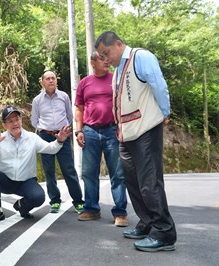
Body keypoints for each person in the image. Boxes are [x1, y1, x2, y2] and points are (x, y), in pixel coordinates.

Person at [95, 31, 177, 252]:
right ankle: (148, 223)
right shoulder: (117, 70)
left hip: (146, 130)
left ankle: (164, 232)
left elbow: (159, 85)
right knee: (132, 182)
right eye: (101, 56)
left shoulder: (141, 57)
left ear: (119, 44)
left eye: (106, 53)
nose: (104, 59)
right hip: (126, 134)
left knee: (150, 183)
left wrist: (164, 112)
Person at [0, 105, 73, 225]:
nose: (15, 123)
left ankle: (22, 207)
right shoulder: (1, 139)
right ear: (4, 125)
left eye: (17, 119)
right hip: (7, 181)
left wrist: (60, 141)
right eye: (10, 121)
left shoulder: (32, 138)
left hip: (26, 182)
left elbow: (50, 148)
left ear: (21, 120)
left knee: (39, 197)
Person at [74, 51, 128, 227]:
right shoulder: (84, 83)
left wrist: (122, 126)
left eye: (107, 58)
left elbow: (123, 104)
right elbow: (79, 109)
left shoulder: (116, 79)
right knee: (89, 173)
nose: (107, 61)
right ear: (92, 62)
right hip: (90, 131)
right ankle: (91, 208)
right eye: (102, 59)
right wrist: (79, 131)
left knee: (118, 174)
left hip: (112, 131)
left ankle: (120, 212)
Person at [31, 70, 84, 214]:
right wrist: (46, 130)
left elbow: (69, 115)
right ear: (42, 82)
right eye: (47, 79)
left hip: (63, 136)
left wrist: (62, 132)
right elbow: (34, 121)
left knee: (69, 170)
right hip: (45, 138)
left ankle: (78, 202)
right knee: (49, 171)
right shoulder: (37, 100)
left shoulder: (64, 96)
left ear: (56, 81)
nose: (50, 81)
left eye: (53, 78)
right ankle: (55, 201)